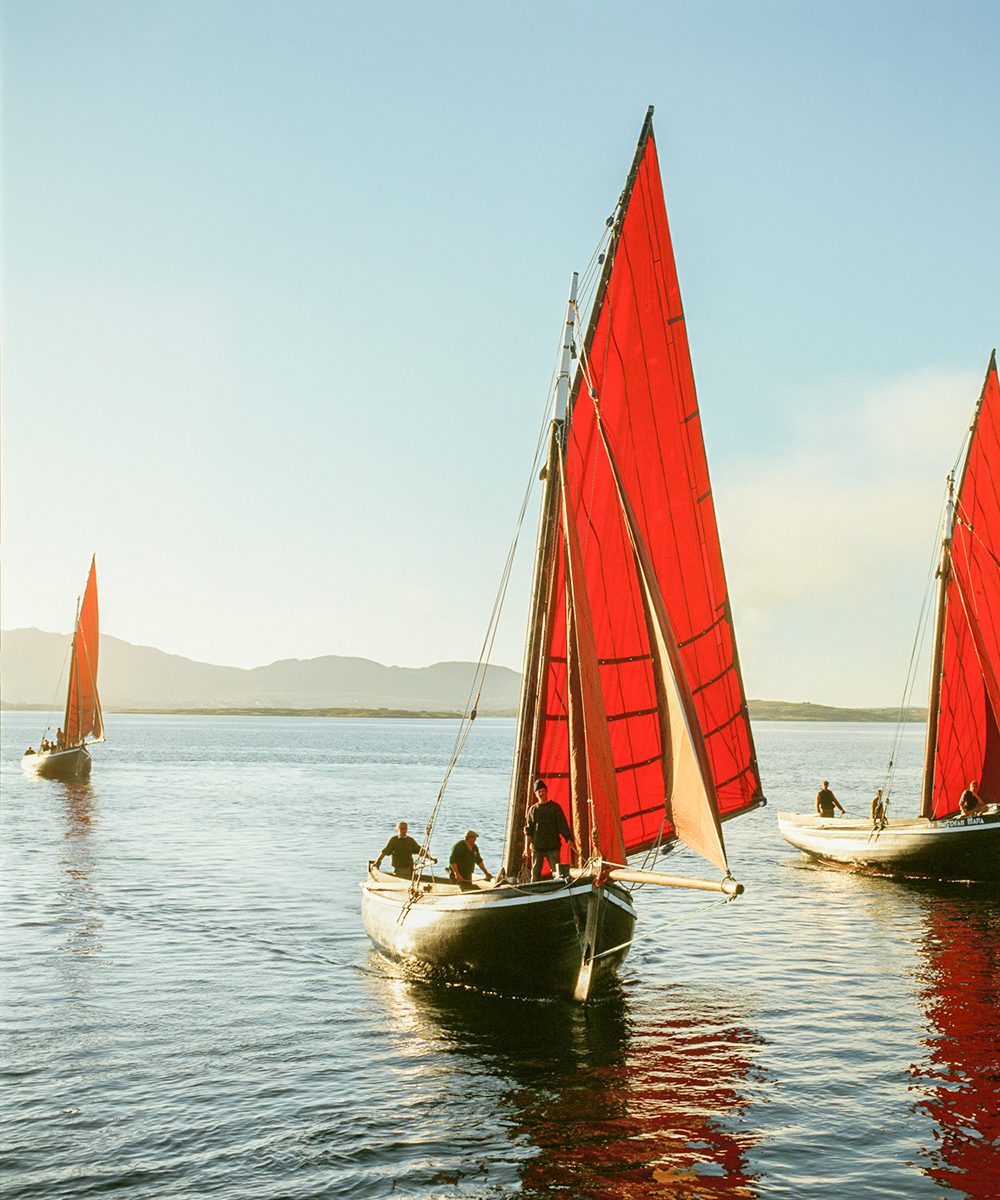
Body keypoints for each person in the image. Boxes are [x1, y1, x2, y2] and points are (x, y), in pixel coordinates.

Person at [524, 778, 575, 882]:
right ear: (536, 794)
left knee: (557, 874)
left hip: (553, 847)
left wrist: (568, 838)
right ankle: (535, 893)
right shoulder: (533, 810)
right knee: (535, 875)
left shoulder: (555, 807)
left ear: (546, 791)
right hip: (537, 848)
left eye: (543, 791)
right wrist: (526, 848)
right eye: (539, 792)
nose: (541, 793)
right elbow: (528, 830)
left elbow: (563, 825)